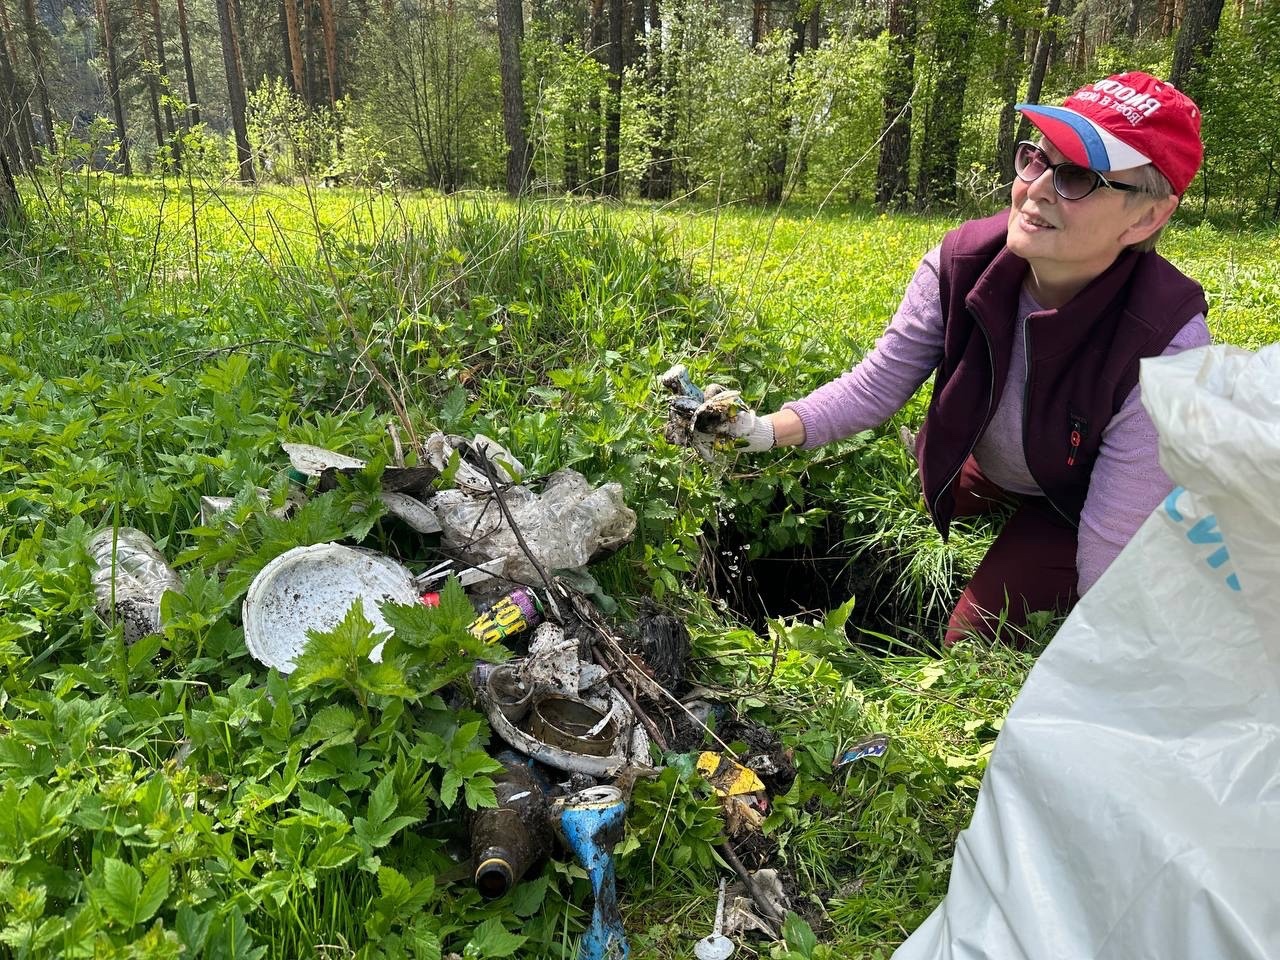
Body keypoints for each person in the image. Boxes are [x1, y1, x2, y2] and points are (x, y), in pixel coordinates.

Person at [664, 71, 1211, 645]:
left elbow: (1110, 541)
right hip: (1005, 459)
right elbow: (876, 386)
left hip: (1079, 499)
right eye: (1036, 159)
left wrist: (1107, 653)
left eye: (1076, 176)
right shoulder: (962, 261)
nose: (1039, 189)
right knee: (940, 476)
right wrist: (759, 432)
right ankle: (981, 484)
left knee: (970, 640)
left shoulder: (1165, 348)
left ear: (1146, 217)